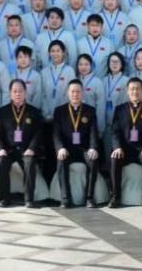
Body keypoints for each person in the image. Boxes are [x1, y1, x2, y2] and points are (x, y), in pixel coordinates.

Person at [109, 78, 142, 209]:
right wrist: (117, 147)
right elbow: (114, 132)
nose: (135, 92)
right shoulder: (120, 110)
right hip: (124, 150)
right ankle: (115, 196)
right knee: (114, 158)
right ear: (127, 91)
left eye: (137, 89)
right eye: (132, 89)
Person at [0, 79, 43, 208]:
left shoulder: (34, 111)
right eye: (14, 91)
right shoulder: (3, 111)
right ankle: (4, 198)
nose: (17, 94)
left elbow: (38, 133)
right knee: (2, 161)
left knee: (30, 162)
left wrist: (32, 148)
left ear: (25, 92)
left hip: (26, 150)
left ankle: (29, 199)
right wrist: (0, 148)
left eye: (20, 91)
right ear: (10, 93)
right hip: (9, 150)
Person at [52, 80, 101, 208]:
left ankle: (89, 198)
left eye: (78, 91)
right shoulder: (59, 111)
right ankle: (65, 198)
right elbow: (56, 134)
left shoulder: (90, 111)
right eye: (72, 91)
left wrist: (93, 148)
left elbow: (93, 132)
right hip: (67, 149)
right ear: (68, 93)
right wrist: (60, 148)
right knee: (61, 160)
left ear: (82, 93)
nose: (75, 94)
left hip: (84, 149)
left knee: (93, 160)